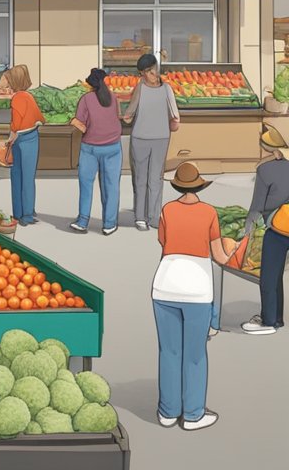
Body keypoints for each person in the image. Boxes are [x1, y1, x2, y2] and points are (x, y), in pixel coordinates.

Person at [152, 162, 233, 431]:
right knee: (195, 354)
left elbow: (163, 243)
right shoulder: (209, 213)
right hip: (197, 289)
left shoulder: (167, 210)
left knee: (169, 350)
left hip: (165, 284)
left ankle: (167, 411)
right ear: (200, 186)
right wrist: (234, 252)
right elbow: (219, 256)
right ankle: (193, 414)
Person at [240, 124, 289, 335]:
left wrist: (247, 229)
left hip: (278, 229)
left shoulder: (265, 170)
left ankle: (271, 320)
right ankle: (276, 318)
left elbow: (257, 206)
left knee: (271, 276)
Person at [124, 53, 180, 231]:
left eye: (153, 69)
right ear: (142, 74)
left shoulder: (167, 89)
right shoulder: (139, 88)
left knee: (156, 178)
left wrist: (174, 121)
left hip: (161, 138)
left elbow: (174, 113)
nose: (153, 74)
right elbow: (130, 112)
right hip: (140, 138)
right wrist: (127, 116)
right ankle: (140, 217)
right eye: (148, 71)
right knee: (141, 178)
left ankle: (154, 216)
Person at [71, 68, 124, 235]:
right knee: (111, 186)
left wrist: (72, 121)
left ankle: (83, 221)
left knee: (86, 184)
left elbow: (81, 124)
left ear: (90, 84)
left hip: (90, 148)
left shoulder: (86, 99)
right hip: (113, 147)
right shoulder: (113, 98)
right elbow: (118, 117)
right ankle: (109, 224)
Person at [2, 65, 43, 225]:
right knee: (28, 177)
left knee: (17, 175)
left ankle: (20, 213)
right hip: (31, 137)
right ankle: (28, 212)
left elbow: (16, 123)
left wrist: (10, 139)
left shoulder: (17, 98)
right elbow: (39, 117)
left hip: (20, 138)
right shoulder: (28, 96)